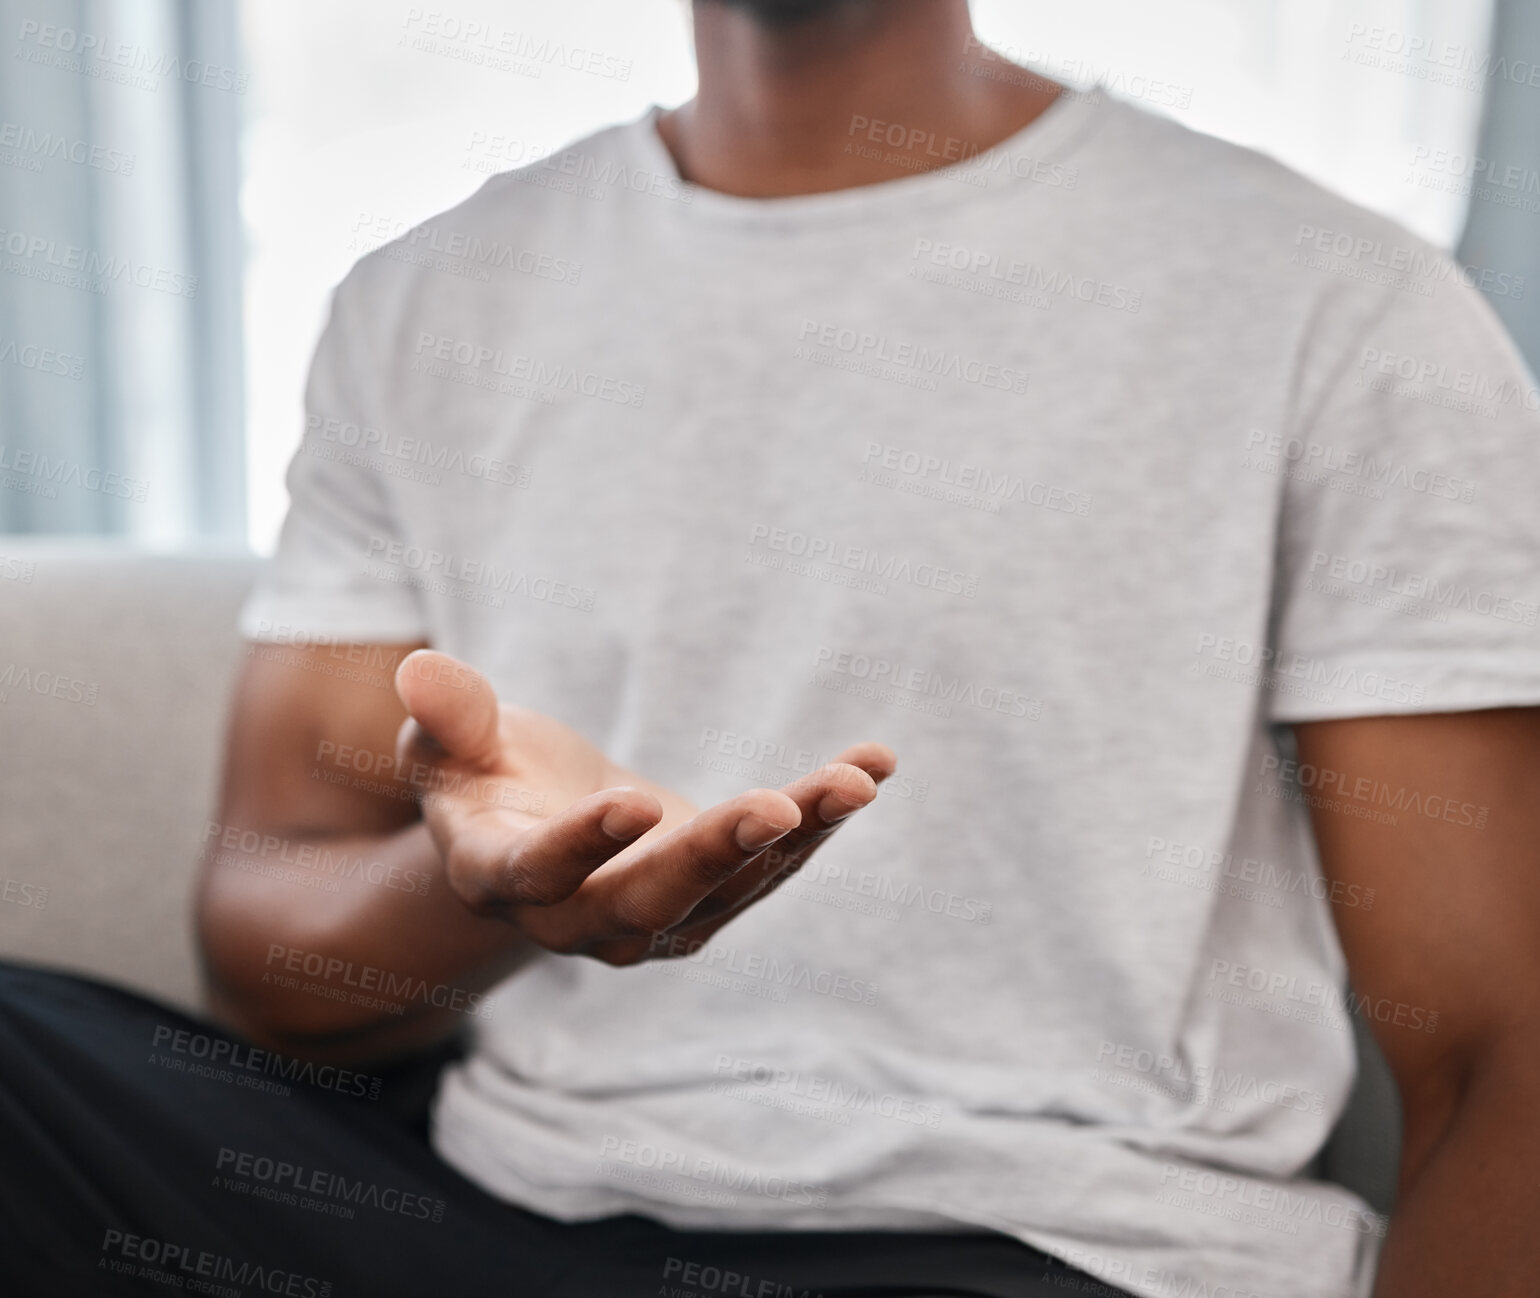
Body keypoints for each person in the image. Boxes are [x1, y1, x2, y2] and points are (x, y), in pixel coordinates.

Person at [4, 1, 1539, 1295]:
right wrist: (485, 886)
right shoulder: (425, 299)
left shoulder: (1335, 301)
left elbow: (1495, 1055)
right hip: (491, 1211)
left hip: (1041, 1239)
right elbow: (270, 957)